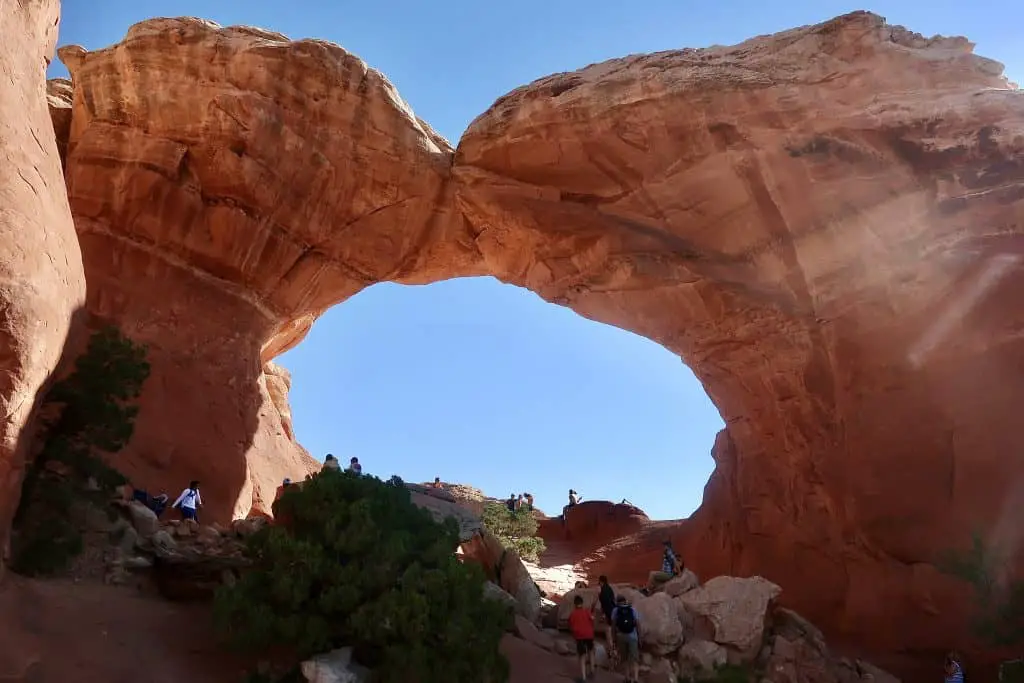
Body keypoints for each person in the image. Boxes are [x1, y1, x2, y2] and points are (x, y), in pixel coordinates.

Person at [611, 595, 641, 683]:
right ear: (625, 601)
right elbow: (638, 624)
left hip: (621, 636)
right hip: (633, 637)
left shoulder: (615, 611)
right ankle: (635, 679)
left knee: (624, 659)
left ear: (617, 602)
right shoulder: (632, 610)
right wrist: (640, 637)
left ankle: (627, 678)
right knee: (635, 659)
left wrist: (614, 639)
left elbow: (613, 626)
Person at [568, 594, 596, 682]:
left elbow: (570, 626)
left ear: (574, 604)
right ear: (582, 603)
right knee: (591, 652)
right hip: (589, 635)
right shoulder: (587, 611)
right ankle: (592, 671)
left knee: (582, 656)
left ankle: (583, 678)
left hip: (579, 636)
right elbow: (592, 619)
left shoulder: (572, 614)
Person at [596, 575, 617, 650]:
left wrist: (603, 613)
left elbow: (604, 602)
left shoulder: (602, 590)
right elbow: (612, 599)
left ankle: (611, 647)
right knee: (613, 628)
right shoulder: (609, 588)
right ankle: (614, 645)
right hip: (613, 610)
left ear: (601, 581)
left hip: (608, 612)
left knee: (608, 629)